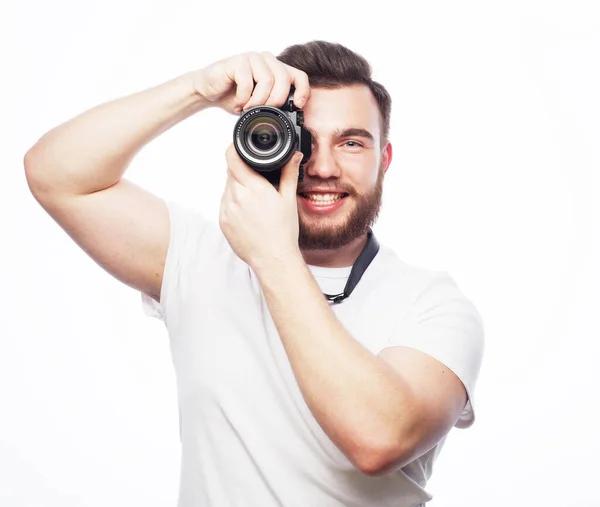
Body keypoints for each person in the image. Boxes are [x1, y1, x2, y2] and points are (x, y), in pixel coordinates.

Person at [24, 40, 485, 507]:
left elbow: (380, 438)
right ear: (264, 140)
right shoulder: (202, 258)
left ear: (383, 160)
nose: (323, 167)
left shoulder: (433, 305)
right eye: (302, 140)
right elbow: (55, 175)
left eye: (350, 143)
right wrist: (197, 90)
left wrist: (274, 255)